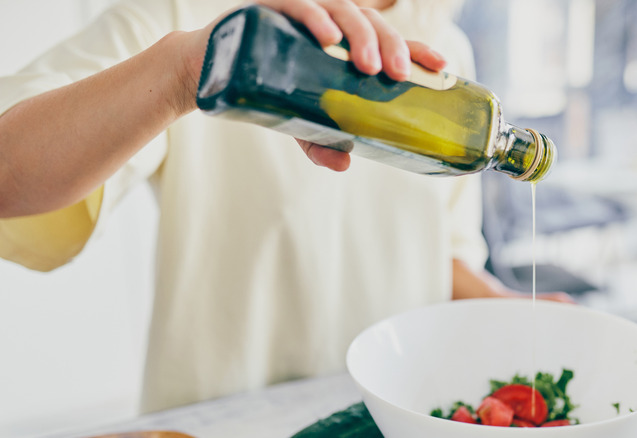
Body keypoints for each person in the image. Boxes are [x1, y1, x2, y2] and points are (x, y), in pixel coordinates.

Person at [0, 0, 570, 413]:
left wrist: (508, 309)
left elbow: (431, 256)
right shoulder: (186, 16)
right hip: (222, 421)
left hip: (386, 415)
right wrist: (185, 68)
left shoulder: (446, 46)